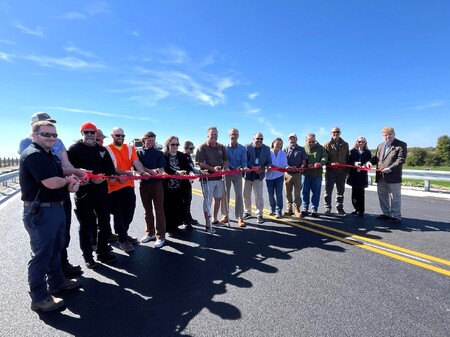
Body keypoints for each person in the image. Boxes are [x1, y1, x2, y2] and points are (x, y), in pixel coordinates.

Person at [20, 120, 81, 312]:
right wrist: (68, 180)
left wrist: (71, 182)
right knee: (42, 254)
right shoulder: (34, 155)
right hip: (41, 211)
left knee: (56, 247)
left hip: (56, 208)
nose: (51, 138)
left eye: (54, 135)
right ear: (34, 135)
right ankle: (39, 297)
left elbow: (61, 180)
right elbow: (51, 182)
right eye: (46, 134)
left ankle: (57, 282)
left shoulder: (50, 156)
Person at [67, 122, 117, 268]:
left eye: (92, 132)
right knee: (86, 226)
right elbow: (70, 170)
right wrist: (90, 179)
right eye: (86, 132)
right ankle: (88, 256)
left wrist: (110, 177)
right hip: (84, 194)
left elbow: (110, 170)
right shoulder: (74, 149)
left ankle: (102, 252)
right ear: (81, 133)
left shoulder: (102, 150)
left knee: (105, 224)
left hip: (102, 193)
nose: (89, 135)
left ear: (96, 134)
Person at [106, 127, 148, 252]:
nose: (120, 138)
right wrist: (127, 173)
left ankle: (123, 233)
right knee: (119, 215)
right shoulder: (107, 149)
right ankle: (123, 240)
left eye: (122, 136)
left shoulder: (130, 148)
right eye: (118, 135)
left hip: (129, 186)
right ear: (112, 135)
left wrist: (142, 172)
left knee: (129, 213)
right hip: (114, 188)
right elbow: (111, 168)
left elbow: (136, 162)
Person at [367, 127, 407, 223]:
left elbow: (400, 160)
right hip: (381, 176)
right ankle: (386, 213)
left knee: (395, 197)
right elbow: (376, 158)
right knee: (382, 196)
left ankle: (396, 216)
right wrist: (369, 162)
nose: (387, 137)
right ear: (383, 136)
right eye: (385, 135)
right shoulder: (380, 146)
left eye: (390, 134)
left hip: (393, 176)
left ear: (394, 134)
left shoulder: (401, 145)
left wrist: (390, 168)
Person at [195, 127, 229, 233]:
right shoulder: (202, 147)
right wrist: (212, 169)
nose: (213, 136)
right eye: (211, 134)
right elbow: (199, 163)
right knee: (208, 201)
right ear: (208, 135)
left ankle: (214, 219)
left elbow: (226, 160)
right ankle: (207, 224)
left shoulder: (221, 146)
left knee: (218, 199)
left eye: (215, 134)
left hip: (219, 178)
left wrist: (224, 168)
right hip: (207, 179)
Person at [137, 131, 166, 248]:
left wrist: (163, 174)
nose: (151, 143)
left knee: (159, 210)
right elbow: (136, 166)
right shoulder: (137, 153)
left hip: (157, 184)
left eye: (153, 141)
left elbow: (161, 168)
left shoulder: (158, 153)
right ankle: (150, 233)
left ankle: (161, 236)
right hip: (143, 184)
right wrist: (149, 171)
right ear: (144, 140)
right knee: (147, 211)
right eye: (149, 141)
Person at [163, 136, 194, 238]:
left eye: (177, 144)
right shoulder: (164, 155)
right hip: (167, 186)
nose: (175, 146)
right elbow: (165, 168)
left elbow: (187, 166)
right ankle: (169, 229)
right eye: (173, 144)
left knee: (178, 206)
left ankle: (176, 227)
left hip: (179, 186)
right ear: (168, 145)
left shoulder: (180, 155)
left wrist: (191, 173)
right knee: (168, 208)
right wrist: (176, 172)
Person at [219, 128, 247, 227]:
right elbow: (223, 160)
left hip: (238, 174)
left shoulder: (242, 148)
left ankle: (240, 217)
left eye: (235, 134)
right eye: (232, 134)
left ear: (238, 136)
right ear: (229, 136)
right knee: (225, 195)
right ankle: (225, 215)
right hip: (226, 174)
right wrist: (228, 168)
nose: (233, 136)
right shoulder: (224, 148)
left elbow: (244, 161)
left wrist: (244, 167)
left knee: (239, 195)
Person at [243, 132, 272, 224]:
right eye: (257, 139)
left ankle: (259, 214)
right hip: (248, 175)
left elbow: (269, 161)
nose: (259, 141)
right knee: (246, 195)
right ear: (253, 139)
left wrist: (269, 166)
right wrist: (253, 168)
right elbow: (244, 160)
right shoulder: (247, 147)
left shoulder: (266, 148)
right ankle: (248, 212)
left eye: (261, 139)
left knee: (259, 195)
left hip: (259, 175)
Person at [323, 127, 350, 215]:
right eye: (334, 132)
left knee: (341, 191)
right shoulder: (327, 144)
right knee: (328, 191)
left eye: (337, 132)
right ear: (331, 133)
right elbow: (325, 158)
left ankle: (339, 208)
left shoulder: (345, 144)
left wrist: (347, 171)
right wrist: (330, 163)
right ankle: (327, 208)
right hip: (330, 171)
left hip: (342, 171)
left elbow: (347, 158)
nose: (336, 133)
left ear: (340, 133)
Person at [301, 134, 328, 218]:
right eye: (310, 141)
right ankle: (305, 208)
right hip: (306, 174)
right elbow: (300, 159)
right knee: (305, 192)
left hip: (317, 174)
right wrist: (304, 165)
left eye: (313, 141)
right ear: (306, 141)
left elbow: (325, 157)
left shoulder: (320, 148)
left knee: (316, 193)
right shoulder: (303, 149)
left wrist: (320, 163)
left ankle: (314, 209)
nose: (312, 143)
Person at [346, 136, 372, 217]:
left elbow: (369, 161)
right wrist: (354, 163)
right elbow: (349, 161)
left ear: (365, 143)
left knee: (361, 193)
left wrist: (364, 165)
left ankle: (361, 210)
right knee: (354, 193)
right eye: (359, 141)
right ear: (356, 142)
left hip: (362, 175)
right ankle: (356, 208)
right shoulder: (352, 151)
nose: (361, 143)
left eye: (363, 142)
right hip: (354, 174)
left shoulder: (367, 152)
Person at [283, 133, 307, 217]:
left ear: (296, 139)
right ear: (288, 139)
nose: (292, 139)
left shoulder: (301, 149)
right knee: (287, 192)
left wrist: (302, 167)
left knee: (297, 192)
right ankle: (289, 209)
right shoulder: (285, 149)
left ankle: (297, 209)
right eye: (290, 138)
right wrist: (287, 167)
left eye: (293, 138)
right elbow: (283, 161)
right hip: (288, 174)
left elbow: (304, 160)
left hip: (297, 174)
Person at [266, 138, 288, 219]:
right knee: (270, 194)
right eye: (277, 143)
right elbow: (265, 163)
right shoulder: (268, 152)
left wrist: (287, 167)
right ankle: (272, 208)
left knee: (279, 194)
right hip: (269, 177)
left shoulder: (283, 153)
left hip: (279, 176)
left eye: (280, 144)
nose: (278, 145)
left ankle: (278, 211)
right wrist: (268, 167)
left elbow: (285, 164)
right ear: (273, 143)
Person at [182, 140, 200, 228]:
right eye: (191, 148)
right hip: (183, 182)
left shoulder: (188, 156)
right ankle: (186, 219)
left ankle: (188, 217)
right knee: (185, 201)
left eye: (193, 148)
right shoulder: (183, 156)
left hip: (188, 182)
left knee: (188, 200)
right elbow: (188, 168)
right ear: (186, 148)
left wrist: (200, 172)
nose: (193, 150)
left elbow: (192, 168)